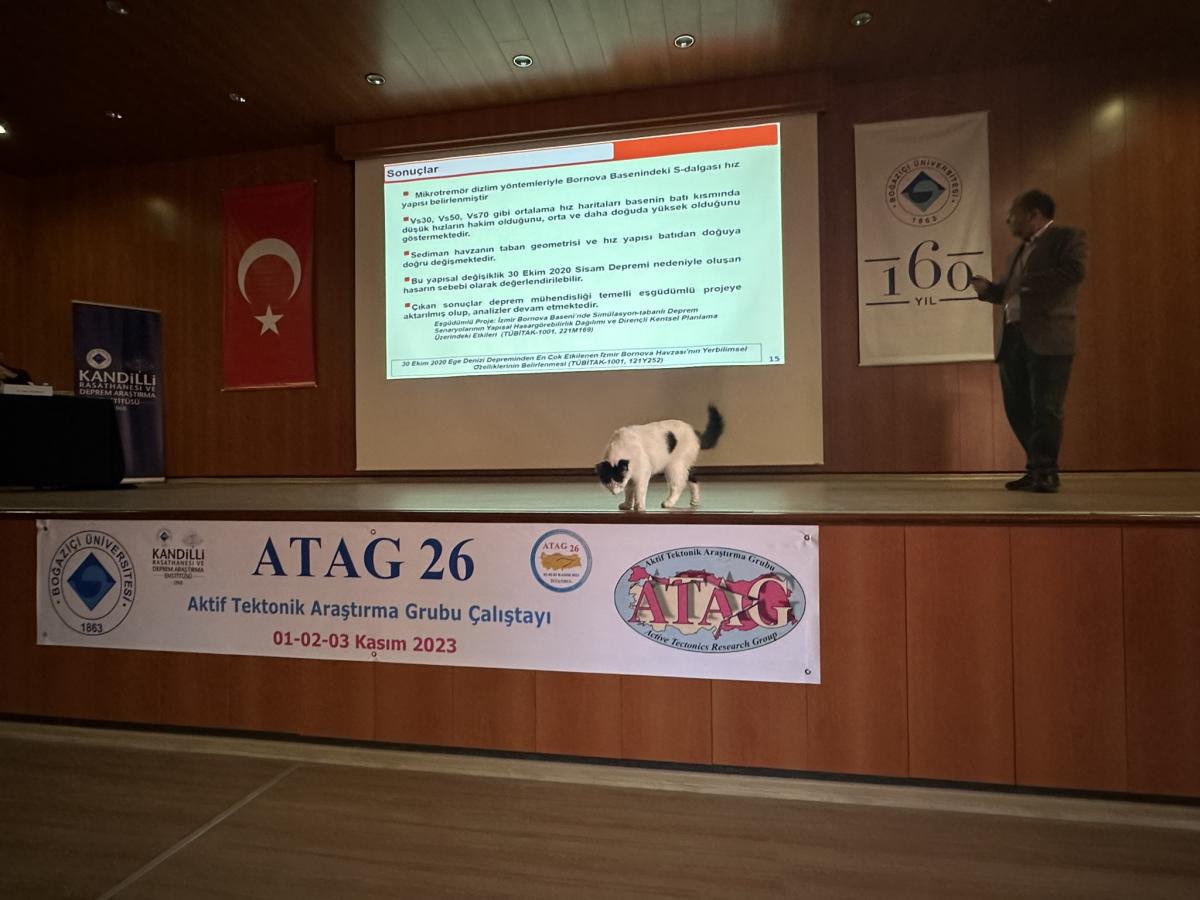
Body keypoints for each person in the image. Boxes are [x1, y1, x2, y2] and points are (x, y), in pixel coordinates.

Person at [969, 190, 1087, 493]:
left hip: (1049, 337)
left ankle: (1047, 471)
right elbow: (1008, 293)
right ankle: (1036, 467)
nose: (1008, 220)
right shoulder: (1016, 254)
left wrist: (1023, 282)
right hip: (1013, 337)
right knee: (1017, 407)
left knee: (1046, 407)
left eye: (1013, 214)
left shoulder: (1066, 238)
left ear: (1034, 213)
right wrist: (989, 291)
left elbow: (1073, 271)